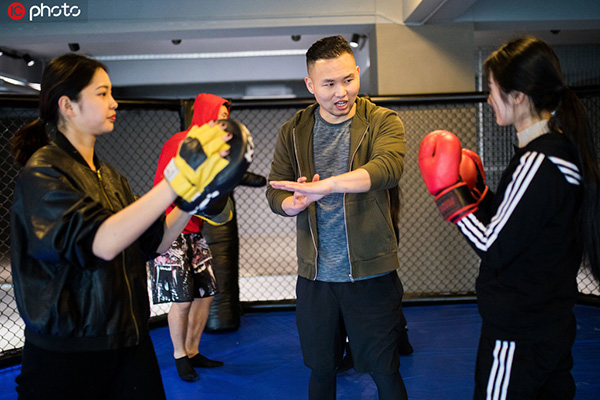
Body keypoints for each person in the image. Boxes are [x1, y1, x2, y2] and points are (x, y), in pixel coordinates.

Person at [10, 54, 234, 399]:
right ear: (68, 105)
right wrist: (176, 181)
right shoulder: (43, 172)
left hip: (128, 340)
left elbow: (155, 243)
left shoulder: (111, 177)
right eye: (102, 94)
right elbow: (100, 242)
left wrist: (191, 200)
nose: (114, 102)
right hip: (69, 355)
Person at [418, 36, 600, 399]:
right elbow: (524, 226)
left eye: (492, 89)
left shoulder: (536, 162)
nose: (488, 99)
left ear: (517, 95)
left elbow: (493, 244)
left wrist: (449, 198)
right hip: (549, 323)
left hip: (518, 332)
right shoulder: (560, 150)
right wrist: (480, 196)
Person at [266, 35, 409, 399]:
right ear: (311, 85)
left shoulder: (381, 120)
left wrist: (326, 186)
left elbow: (388, 169)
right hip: (316, 277)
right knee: (321, 368)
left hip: (370, 272)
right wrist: (292, 204)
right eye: (329, 84)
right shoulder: (294, 131)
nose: (341, 92)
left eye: (348, 79)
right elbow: (275, 191)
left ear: (357, 73)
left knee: (384, 370)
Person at [149, 93, 230, 382]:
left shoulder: (215, 149)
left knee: (205, 295)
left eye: (226, 120)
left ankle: (193, 350)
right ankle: (179, 356)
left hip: (195, 230)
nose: (223, 125)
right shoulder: (181, 143)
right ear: (205, 116)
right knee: (182, 301)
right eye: (219, 119)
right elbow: (178, 186)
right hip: (171, 228)